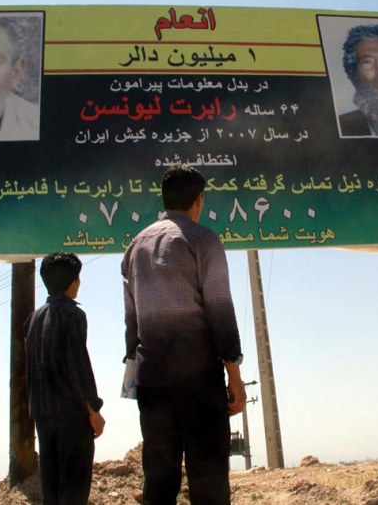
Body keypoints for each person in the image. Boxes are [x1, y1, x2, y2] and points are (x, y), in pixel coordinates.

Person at [121, 164, 246, 504]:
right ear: (199, 200)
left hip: (153, 382)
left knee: (159, 483)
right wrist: (234, 375)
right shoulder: (204, 241)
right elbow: (221, 312)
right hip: (199, 379)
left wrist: (135, 374)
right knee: (208, 481)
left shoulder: (134, 247)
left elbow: (131, 324)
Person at [25, 252, 105, 505]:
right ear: (73, 281)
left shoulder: (33, 319)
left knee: (52, 487)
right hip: (70, 414)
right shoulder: (73, 315)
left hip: (42, 413)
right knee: (74, 486)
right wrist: (93, 409)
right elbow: (78, 365)